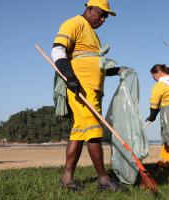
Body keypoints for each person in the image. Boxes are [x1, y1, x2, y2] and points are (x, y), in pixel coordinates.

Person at [51, 0, 127, 192]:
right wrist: (69, 76)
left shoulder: (93, 34)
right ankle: (103, 180)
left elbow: (93, 63)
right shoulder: (74, 23)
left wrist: (116, 70)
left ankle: (67, 178)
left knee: (78, 133)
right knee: (93, 130)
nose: (103, 19)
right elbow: (58, 50)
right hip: (80, 89)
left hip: (92, 90)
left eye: (106, 17)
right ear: (89, 8)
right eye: (101, 14)